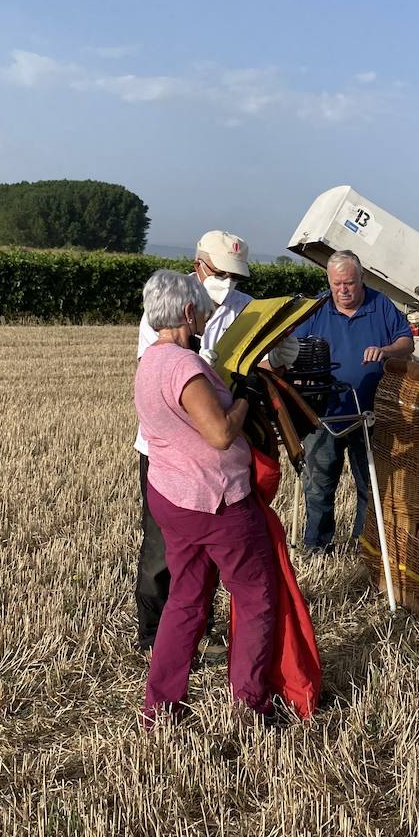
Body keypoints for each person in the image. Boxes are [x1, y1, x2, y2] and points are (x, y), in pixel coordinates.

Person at [133, 269, 277, 722]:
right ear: (189, 311)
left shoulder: (149, 362)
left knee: (185, 599)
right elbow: (218, 435)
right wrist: (244, 401)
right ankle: (250, 703)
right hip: (215, 502)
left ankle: (161, 705)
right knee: (256, 597)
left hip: (170, 497)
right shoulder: (184, 366)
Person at [134, 230, 254, 653]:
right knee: (160, 550)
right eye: (220, 273)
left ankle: (198, 632)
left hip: (213, 461)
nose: (227, 283)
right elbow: (167, 373)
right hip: (170, 451)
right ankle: (152, 635)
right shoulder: (166, 306)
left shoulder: (245, 309)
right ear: (199, 265)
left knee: (203, 555)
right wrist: (224, 381)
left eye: (234, 276)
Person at [294, 249, 413, 554]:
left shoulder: (380, 304)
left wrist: (385, 351)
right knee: (318, 485)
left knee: (369, 486)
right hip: (324, 414)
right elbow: (291, 351)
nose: (343, 290)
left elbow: (406, 342)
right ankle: (317, 546)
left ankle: (363, 546)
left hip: (368, 414)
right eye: (337, 284)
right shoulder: (316, 309)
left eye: (349, 283)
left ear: (361, 279)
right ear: (329, 281)